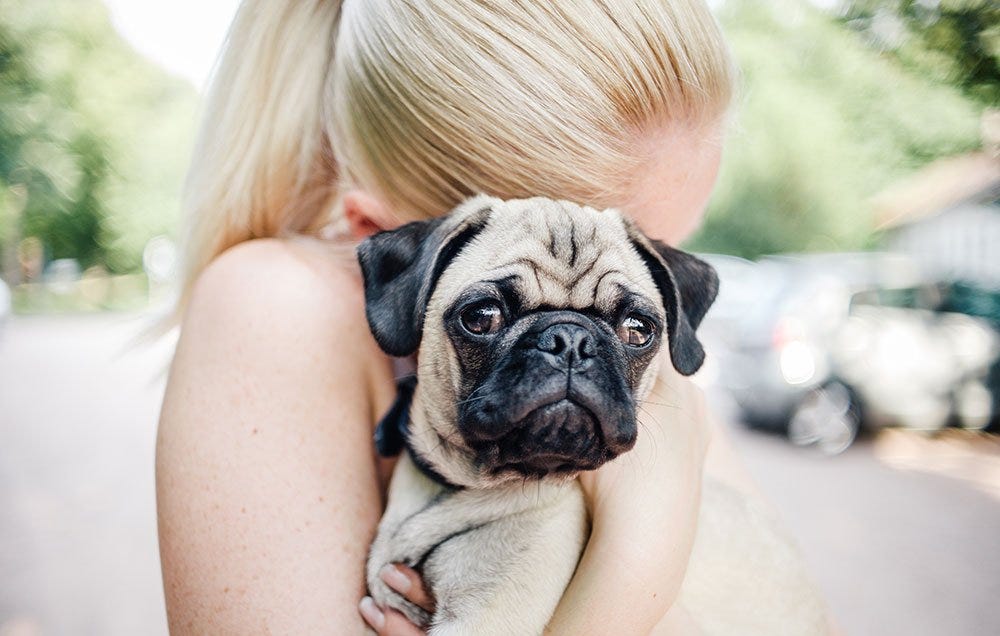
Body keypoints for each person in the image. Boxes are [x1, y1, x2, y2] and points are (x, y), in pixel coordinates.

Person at [156, 1, 825, 634]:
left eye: (630, 319)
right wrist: (634, 569)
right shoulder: (277, 305)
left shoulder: (662, 394)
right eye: (490, 313)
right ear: (394, 250)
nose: (577, 352)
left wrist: (648, 532)